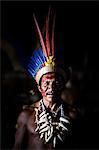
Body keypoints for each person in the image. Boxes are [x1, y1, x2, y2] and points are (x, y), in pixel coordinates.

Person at [13, 9, 71, 150]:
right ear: (39, 87)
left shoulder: (72, 115)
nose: (51, 88)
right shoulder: (26, 115)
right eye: (46, 83)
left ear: (63, 86)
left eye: (56, 83)